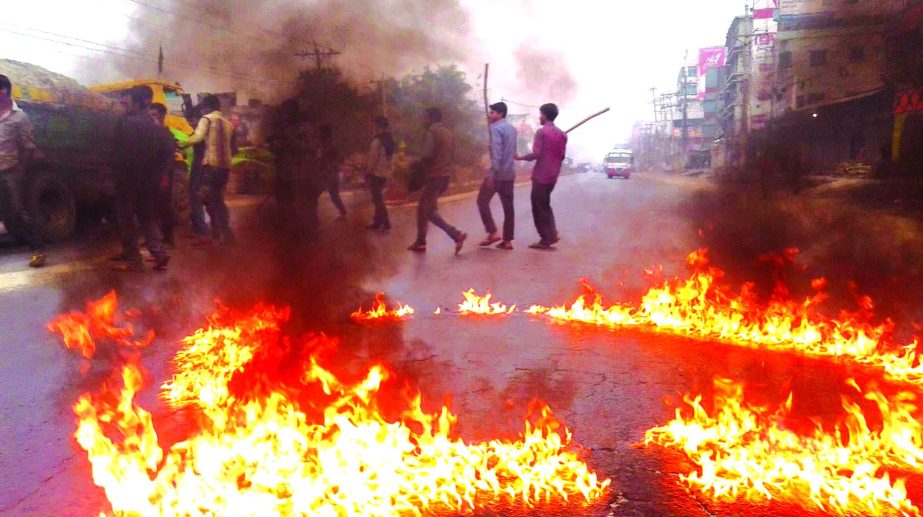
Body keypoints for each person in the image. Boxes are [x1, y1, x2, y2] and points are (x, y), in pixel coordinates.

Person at [110, 85, 172, 271]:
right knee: (146, 216)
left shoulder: (126, 123)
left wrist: (115, 173)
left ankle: (133, 260)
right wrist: (158, 175)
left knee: (126, 218)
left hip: (128, 179)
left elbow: (121, 153)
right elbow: (165, 151)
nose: (123, 104)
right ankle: (159, 252)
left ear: (135, 102)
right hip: (149, 180)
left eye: (126, 100)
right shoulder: (154, 123)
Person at [408, 107, 467, 254]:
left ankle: (456, 234)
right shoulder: (449, 134)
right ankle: (420, 242)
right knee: (423, 208)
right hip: (445, 176)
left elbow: (427, 155)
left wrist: (415, 162)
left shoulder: (432, 132)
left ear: (431, 118)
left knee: (429, 211)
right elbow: (453, 155)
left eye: (425, 117)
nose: (423, 120)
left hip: (434, 177)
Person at [0, 74, 44, 268]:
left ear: (3, 92)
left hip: (11, 172)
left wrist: (21, 169)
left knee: (19, 211)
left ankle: (37, 250)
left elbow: (29, 147)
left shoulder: (20, 117)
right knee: (7, 216)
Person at [180, 94, 235, 245]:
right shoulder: (229, 124)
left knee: (203, 197)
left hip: (210, 166)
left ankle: (213, 234)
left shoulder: (207, 119)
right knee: (218, 199)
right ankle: (225, 232)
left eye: (203, 107)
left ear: (208, 107)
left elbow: (197, 138)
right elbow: (233, 148)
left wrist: (182, 144)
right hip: (225, 168)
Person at [515, 103, 567, 250]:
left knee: (538, 207)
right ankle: (552, 233)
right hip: (553, 176)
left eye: (540, 114)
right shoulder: (562, 135)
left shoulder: (541, 132)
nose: (539, 117)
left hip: (541, 175)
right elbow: (562, 156)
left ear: (544, 115)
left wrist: (520, 158)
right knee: (545, 204)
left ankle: (545, 238)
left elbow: (536, 154)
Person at [478, 101, 518, 250]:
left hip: (498, 174)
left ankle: (493, 232)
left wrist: (492, 175)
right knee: (509, 208)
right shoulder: (513, 130)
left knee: (482, 201)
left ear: (500, 114)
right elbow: (511, 151)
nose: (490, 115)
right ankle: (507, 241)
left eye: (492, 112)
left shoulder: (495, 129)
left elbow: (497, 154)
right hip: (510, 173)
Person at [149, 103, 176, 246]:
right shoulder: (152, 133)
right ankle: (156, 238)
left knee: (164, 207)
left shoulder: (167, 135)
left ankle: (169, 239)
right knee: (153, 208)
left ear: (161, 116)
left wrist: (165, 176)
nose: (151, 118)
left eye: (154, 115)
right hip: (152, 175)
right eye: (150, 115)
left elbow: (169, 158)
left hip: (163, 175)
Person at [365, 116, 393, 232]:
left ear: (378, 126)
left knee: (377, 199)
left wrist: (367, 172)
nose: (373, 127)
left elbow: (373, 159)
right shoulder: (389, 139)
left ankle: (386, 222)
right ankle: (377, 222)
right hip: (384, 173)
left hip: (376, 173)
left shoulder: (377, 141)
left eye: (374, 125)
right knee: (378, 198)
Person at [317, 124, 347, 220]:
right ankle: (343, 212)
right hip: (326, 172)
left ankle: (343, 212)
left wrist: (331, 165)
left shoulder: (331, 145)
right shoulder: (323, 144)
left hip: (330, 173)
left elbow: (340, 158)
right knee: (333, 194)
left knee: (325, 193)